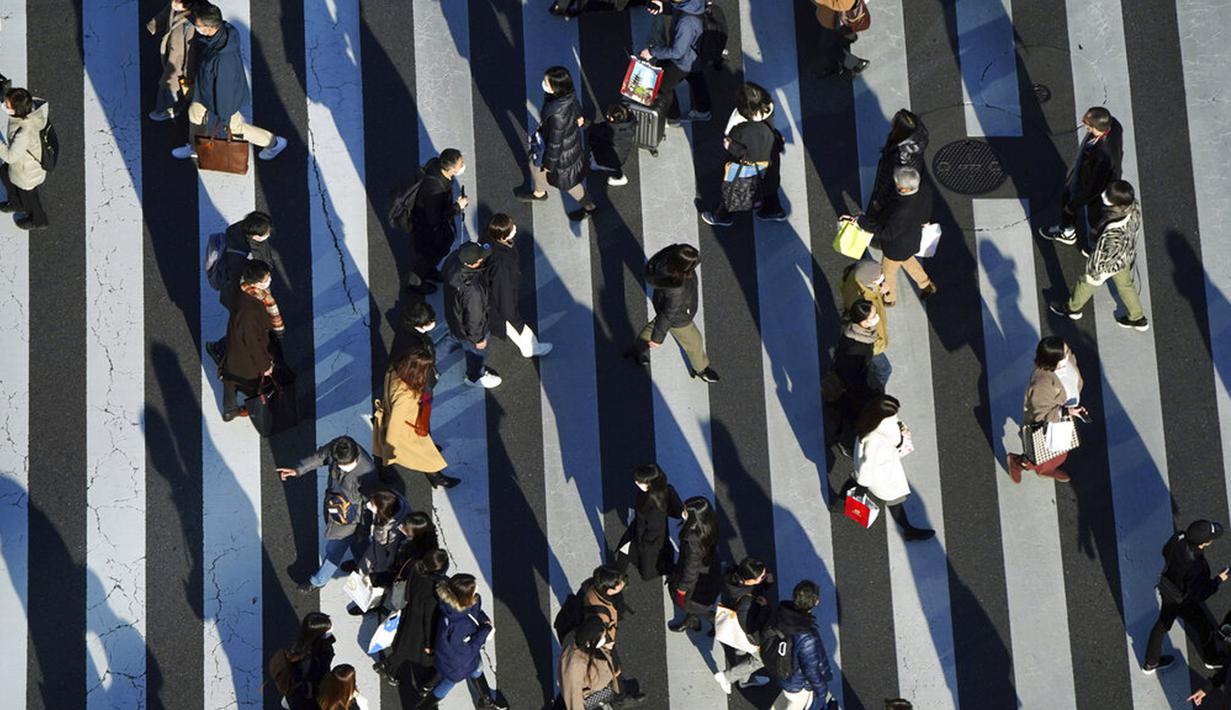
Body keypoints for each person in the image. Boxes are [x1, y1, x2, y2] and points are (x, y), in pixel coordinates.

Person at [171, 3, 287, 161]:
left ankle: (273, 143)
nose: (195, 27)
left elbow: (224, 90)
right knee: (195, 114)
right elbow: (205, 9)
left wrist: (224, 117)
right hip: (205, 90)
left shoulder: (223, 59)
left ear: (209, 28)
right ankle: (196, 147)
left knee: (235, 127)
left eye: (198, 26)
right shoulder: (223, 30)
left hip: (224, 99)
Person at [1047, 179, 1149, 331]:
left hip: (1108, 261)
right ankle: (1137, 318)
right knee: (1125, 285)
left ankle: (1073, 308)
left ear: (1117, 204)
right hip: (1124, 256)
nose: (1104, 195)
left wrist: (1094, 268)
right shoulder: (1133, 208)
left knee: (1086, 283)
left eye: (1108, 196)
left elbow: (1104, 255)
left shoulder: (1113, 229)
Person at [276, 436, 375, 592]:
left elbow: (368, 504)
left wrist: (364, 527)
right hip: (336, 508)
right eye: (339, 465)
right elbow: (320, 457)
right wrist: (298, 469)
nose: (341, 469)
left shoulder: (367, 472)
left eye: (346, 466)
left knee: (334, 550)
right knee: (359, 544)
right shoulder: (339, 448)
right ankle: (362, 564)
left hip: (350, 519)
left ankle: (317, 581)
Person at [843, 394, 935, 541]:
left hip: (874, 467)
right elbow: (868, 465)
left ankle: (838, 503)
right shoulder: (875, 439)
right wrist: (863, 486)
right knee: (895, 500)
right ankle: (908, 530)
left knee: (854, 478)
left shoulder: (869, 422)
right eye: (893, 414)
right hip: (881, 474)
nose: (896, 417)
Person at [1142, 520, 1228, 674]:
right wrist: (1218, 580)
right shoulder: (1195, 564)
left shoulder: (1179, 537)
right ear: (1204, 543)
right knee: (1205, 628)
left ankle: (1151, 662)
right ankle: (1211, 659)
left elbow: (1165, 551)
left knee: (1162, 625)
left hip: (1167, 587)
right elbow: (1200, 593)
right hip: (1182, 600)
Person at [630, 244, 720, 383]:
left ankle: (637, 350)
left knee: (656, 325)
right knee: (695, 343)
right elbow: (668, 314)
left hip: (664, 303)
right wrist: (658, 339)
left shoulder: (666, 262)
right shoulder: (677, 289)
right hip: (679, 317)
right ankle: (701, 369)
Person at [373, 345, 459, 489]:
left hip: (388, 417)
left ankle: (382, 469)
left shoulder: (393, 370)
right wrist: (389, 451)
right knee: (425, 456)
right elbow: (395, 425)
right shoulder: (406, 395)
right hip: (407, 429)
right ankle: (436, 477)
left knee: (386, 451)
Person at [1039, 106, 1124, 251]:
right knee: (1083, 205)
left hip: (1094, 181)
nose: (1084, 125)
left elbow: (1093, 188)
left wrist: (1074, 204)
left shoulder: (1103, 155)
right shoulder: (1113, 125)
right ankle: (1074, 232)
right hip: (1092, 171)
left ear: (1095, 127)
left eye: (1087, 124)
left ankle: (1093, 245)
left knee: (1090, 214)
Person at [517, 66, 596, 221]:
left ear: (556, 87)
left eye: (547, 82)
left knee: (568, 184)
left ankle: (590, 206)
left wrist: (549, 164)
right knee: (536, 165)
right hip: (567, 149)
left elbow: (555, 144)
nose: (544, 84)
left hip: (561, 157)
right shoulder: (568, 96)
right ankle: (539, 192)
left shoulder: (557, 115)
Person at [852, 166, 937, 306]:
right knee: (908, 260)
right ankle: (925, 283)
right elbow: (925, 217)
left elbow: (887, 232)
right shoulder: (924, 190)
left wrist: (863, 222)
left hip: (895, 247)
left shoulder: (901, 211)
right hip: (911, 239)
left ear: (903, 188)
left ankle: (889, 298)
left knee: (888, 273)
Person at [419, 574, 507, 709]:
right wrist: (485, 630)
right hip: (458, 662)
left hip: (446, 654)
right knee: (451, 681)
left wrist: (483, 621)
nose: (477, 588)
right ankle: (423, 706)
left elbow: (474, 614)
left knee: (475, 669)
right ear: (465, 597)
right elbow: (466, 650)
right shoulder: (461, 624)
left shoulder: (451, 607)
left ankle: (485, 697)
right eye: (473, 588)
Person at [1005, 337, 1086, 484]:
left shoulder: (1064, 362)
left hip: (1065, 415)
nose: (1069, 354)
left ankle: (1045, 469)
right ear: (1055, 361)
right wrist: (1066, 412)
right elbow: (1041, 414)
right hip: (1051, 422)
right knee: (1046, 449)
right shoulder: (1042, 383)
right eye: (1065, 353)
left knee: (1058, 451)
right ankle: (1019, 463)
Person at [701, 82, 780, 228]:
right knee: (769, 186)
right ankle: (773, 210)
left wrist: (730, 146)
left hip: (747, 167)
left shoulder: (742, 129)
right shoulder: (769, 110)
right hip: (770, 160)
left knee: (733, 190)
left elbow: (746, 153)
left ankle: (723, 216)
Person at [374, 548, 449, 690]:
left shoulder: (415, 566)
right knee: (418, 652)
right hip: (421, 621)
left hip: (410, 611)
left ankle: (388, 666)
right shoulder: (435, 587)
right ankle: (427, 684)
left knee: (406, 645)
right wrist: (429, 643)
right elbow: (429, 619)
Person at [206, 210, 276, 364]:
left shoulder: (240, 230)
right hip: (241, 295)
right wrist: (260, 293)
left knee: (246, 325)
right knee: (244, 326)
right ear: (254, 235)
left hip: (244, 288)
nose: (269, 233)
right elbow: (241, 283)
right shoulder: (239, 257)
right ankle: (221, 348)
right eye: (266, 232)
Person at [481, 213, 553, 358]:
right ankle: (532, 348)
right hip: (496, 305)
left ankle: (531, 347)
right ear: (502, 236)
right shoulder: (501, 265)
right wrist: (513, 317)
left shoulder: (487, 238)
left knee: (512, 328)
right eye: (511, 227)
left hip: (489, 295)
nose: (514, 228)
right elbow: (504, 295)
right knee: (517, 329)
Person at [218, 261, 281, 421]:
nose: (269, 280)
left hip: (235, 345)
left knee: (230, 378)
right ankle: (253, 408)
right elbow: (254, 344)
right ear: (257, 283)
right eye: (266, 278)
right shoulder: (249, 311)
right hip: (247, 354)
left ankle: (229, 410)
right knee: (253, 382)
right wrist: (265, 365)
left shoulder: (243, 288)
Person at [639, 0, 712, 123]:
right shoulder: (694, 4)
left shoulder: (685, 24)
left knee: (662, 85)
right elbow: (681, 8)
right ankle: (703, 111)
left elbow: (677, 52)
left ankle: (673, 117)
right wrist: (665, 7)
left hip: (683, 61)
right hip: (695, 55)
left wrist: (652, 52)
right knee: (696, 79)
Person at [828, 299, 885, 457]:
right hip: (853, 389)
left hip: (855, 382)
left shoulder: (855, 332)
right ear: (863, 321)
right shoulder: (857, 347)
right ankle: (846, 443)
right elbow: (851, 377)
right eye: (873, 315)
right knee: (853, 418)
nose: (876, 317)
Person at [443, 241, 502, 389]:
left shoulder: (453, 260)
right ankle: (475, 376)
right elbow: (474, 318)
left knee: (454, 338)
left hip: (454, 316)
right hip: (468, 328)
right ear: (473, 264)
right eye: (480, 258)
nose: (483, 259)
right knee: (476, 353)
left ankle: (424, 359)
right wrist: (478, 338)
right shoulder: (473, 291)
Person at [409, 148, 468, 292]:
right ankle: (415, 282)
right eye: (460, 164)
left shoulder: (437, 166)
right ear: (451, 169)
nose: (463, 165)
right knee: (429, 254)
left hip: (431, 224)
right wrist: (457, 207)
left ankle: (429, 271)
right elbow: (434, 218)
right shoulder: (435, 189)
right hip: (428, 229)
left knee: (436, 252)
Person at [772, 580, 837, 710]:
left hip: (782, 671)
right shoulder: (807, 636)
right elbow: (811, 669)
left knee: (783, 704)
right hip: (798, 684)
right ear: (816, 601)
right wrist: (821, 690)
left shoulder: (783, 613)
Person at [344, 488, 410, 615]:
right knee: (363, 572)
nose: (369, 505)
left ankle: (370, 604)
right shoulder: (396, 507)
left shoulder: (392, 530)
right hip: (379, 549)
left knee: (374, 582)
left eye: (373, 505)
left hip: (384, 558)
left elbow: (388, 552)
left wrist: (377, 569)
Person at [713, 557, 774, 693]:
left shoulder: (734, 576)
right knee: (762, 658)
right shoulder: (747, 601)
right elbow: (749, 627)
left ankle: (744, 680)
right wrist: (765, 608)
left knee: (740, 649)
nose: (765, 576)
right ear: (750, 580)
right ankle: (727, 677)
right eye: (762, 576)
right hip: (745, 627)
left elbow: (755, 589)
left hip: (734, 622)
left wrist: (766, 583)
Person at [619, 463, 684, 580]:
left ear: (649, 483)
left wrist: (642, 544)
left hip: (648, 541)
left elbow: (654, 530)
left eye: (639, 482)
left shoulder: (653, 507)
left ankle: (617, 578)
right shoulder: (664, 490)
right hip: (656, 538)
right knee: (658, 558)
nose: (636, 483)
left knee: (625, 552)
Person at [559, 616, 641, 709]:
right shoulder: (575, 667)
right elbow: (574, 698)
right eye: (602, 636)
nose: (605, 637)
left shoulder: (578, 637)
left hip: (591, 684)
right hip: (589, 695)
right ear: (590, 642)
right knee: (569, 695)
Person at [667, 496, 721, 633]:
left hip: (697, 582)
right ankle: (693, 619)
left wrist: (682, 589)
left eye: (686, 511)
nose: (683, 513)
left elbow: (690, 570)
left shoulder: (693, 542)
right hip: (709, 572)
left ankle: (714, 622)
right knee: (696, 606)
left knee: (691, 604)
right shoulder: (709, 524)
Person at [0, 87, 51, 230]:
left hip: (26, 173)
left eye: (7, 105)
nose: (5, 105)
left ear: (16, 110)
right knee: (4, 172)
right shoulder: (28, 110)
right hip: (23, 165)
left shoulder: (23, 133)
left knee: (30, 198)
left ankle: (38, 220)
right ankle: (16, 203)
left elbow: (10, 156)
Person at [269, 612, 335, 710]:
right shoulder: (314, 659)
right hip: (307, 698)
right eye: (327, 629)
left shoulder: (301, 646)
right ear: (318, 634)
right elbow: (319, 680)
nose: (331, 629)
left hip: (295, 693)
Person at [144, 0, 197, 121]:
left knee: (170, 82)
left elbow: (191, 49)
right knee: (173, 82)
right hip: (174, 52)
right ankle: (174, 107)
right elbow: (166, 13)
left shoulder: (193, 18)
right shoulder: (175, 5)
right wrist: (153, 24)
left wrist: (188, 68)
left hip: (180, 57)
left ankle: (168, 109)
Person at [840, 260, 890, 385]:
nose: (882, 278)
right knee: (884, 370)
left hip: (867, 340)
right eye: (879, 277)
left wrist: (880, 286)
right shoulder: (866, 301)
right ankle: (877, 392)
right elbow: (876, 327)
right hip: (874, 343)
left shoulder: (856, 279)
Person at [872, 110, 929, 200]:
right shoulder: (919, 137)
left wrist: (879, 199)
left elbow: (886, 179)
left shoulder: (899, 155)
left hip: (896, 188)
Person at [812, 0, 870, 79]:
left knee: (828, 46)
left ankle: (856, 64)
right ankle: (835, 65)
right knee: (832, 44)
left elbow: (843, 4)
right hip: (836, 20)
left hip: (837, 23)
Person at [588, 102, 636, 187]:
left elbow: (595, 130)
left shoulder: (610, 130)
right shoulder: (629, 125)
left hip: (610, 159)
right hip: (620, 155)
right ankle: (616, 174)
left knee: (594, 141)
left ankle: (618, 176)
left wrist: (585, 123)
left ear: (613, 119)